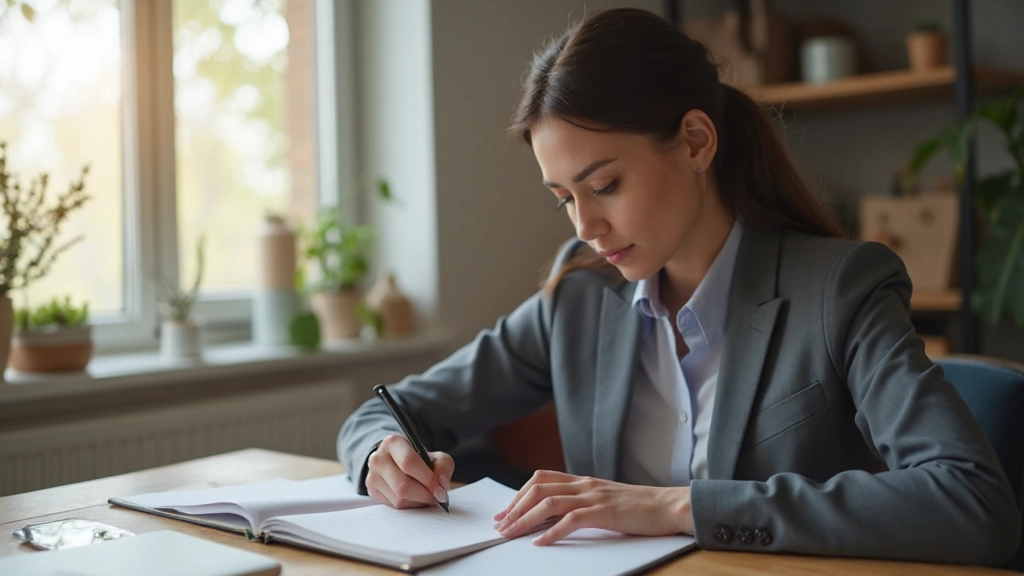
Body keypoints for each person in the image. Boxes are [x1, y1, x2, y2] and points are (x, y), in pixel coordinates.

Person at [338, 7, 1020, 565]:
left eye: (605, 184)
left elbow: (972, 501)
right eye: (563, 198)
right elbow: (388, 410)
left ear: (696, 142)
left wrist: (675, 505)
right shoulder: (576, 301)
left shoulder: (839, 290)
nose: (587, 225)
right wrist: (381, 454)